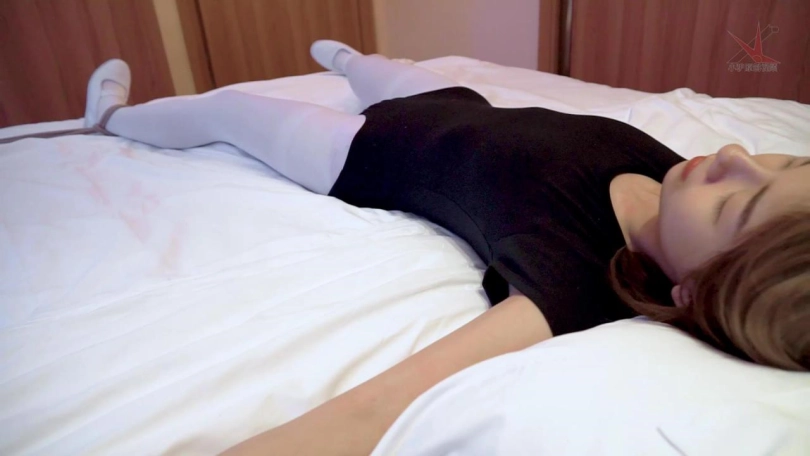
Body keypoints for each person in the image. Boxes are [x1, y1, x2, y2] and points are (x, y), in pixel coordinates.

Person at [4, 41, 809, 455]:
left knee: (235, 110)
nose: (735, 154)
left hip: (369, 154)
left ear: (691, 293)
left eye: (736, 202)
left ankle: (108, 119)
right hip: (457, 104)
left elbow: (370, 410)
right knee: (398, 73)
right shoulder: (678, 177)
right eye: (784, 162)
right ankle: (351, 62)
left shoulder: (574, 281)